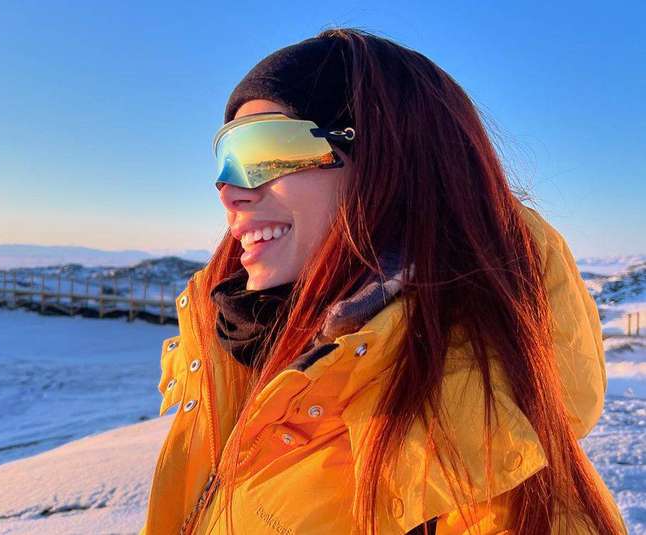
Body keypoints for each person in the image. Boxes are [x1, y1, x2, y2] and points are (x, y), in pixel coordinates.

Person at [140, 28, 626, 534]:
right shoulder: (245, 351)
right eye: (227, 156)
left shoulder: (489, 491)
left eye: (265, 150)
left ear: (393, 164)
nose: (228, 189)